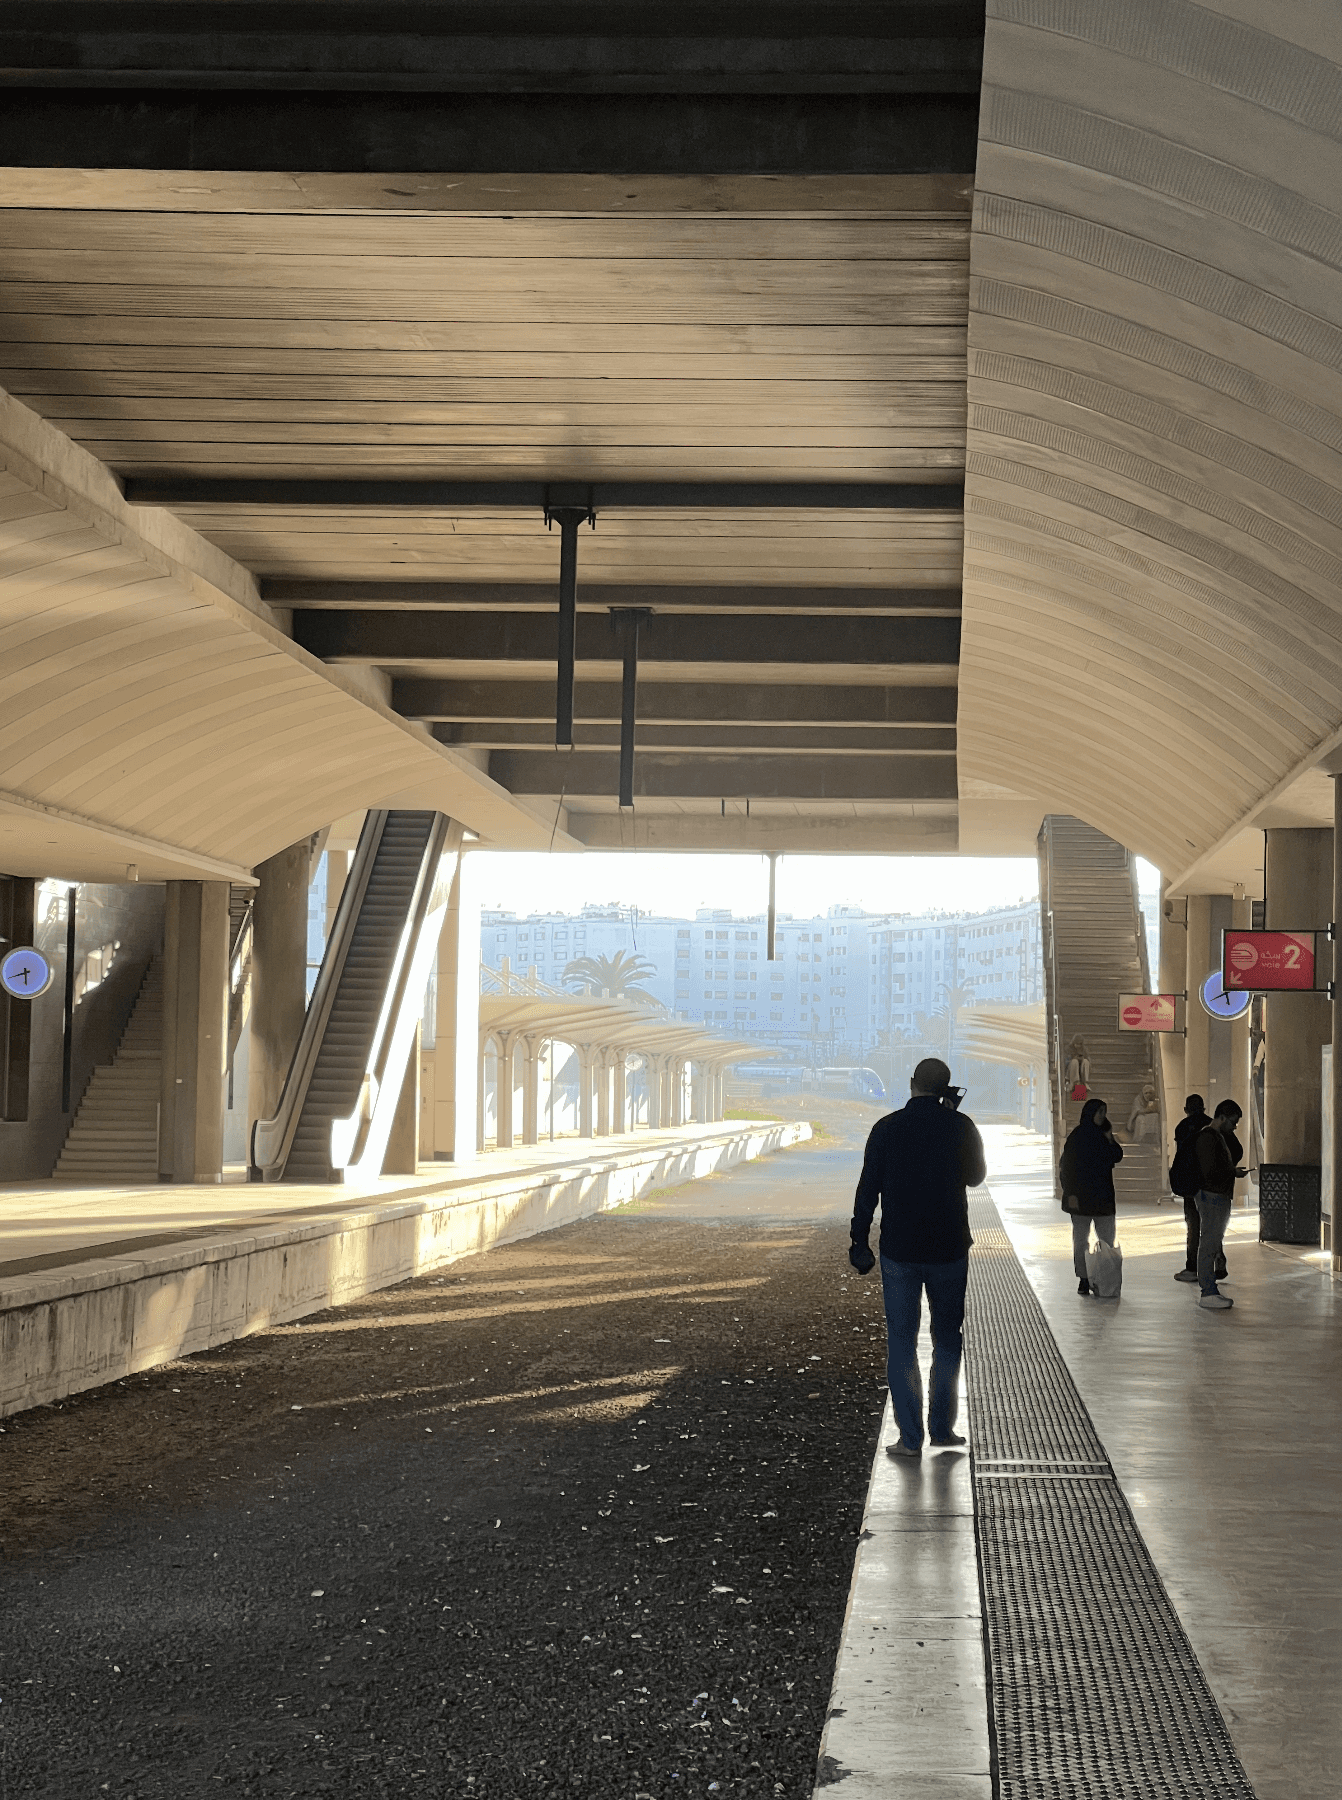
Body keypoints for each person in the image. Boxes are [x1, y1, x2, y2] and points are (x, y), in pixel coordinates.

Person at [848, 1057, 987, 1459]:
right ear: (945, 1087)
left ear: (912, 1084)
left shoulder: (887, 1128)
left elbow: (867, 1190)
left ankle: (910, 1438)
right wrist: (954, 1126)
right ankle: (942, 1430)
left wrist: (860, 1240)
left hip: (900, 1251)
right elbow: (976, 1177)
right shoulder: (961, 1126)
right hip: (948, 1248)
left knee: (902, 1341)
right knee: (947, 1339)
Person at [1058, 1097, 1123, 1295]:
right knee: (1081, 1240)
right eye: (1099, 1112)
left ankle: (1104, 1276)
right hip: (1081, 1197)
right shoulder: (1077, 1137)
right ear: (1090, 1114)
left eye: (1105, 1112)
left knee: (1107, 1240)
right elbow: (1066, 1167)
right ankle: (1084, 1277)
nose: (1103, 1116)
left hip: (1103, 1197)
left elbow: (1117, 1156)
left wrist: (1110, 1138)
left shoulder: (1105, 1135)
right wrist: (1069, 1193)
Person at [1193, 1100, 1245, 1311]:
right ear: (1222, 1117)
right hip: (1212, 1196)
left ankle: (1209, 1288)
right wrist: (1232, 1172)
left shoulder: (1217, 1137)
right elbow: (1211, 1170)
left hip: (1215, 1195)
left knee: (1212, 1241)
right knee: (1209, 1241)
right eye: (1232, 1122)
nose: (1234, 1126)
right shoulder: (1208, 1138)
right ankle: (1208, 1290)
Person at [1168, 1094, 1223, 1284]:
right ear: (1204, 1108)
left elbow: (1181, 1157)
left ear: (1186, 1109)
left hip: (1191, 1183)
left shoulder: (1182, 1127)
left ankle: (1192, 1266)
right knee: (1213, 1224)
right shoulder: (1212, 1125)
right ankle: (1218, 1260)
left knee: (1193, 1225)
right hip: (1211, 1182)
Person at [1064, 1037, 1091, 1102]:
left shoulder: (1084, 1049)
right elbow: (1065, 1061)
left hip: (1081, 1067)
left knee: (1086, 1061)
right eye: (1076, 1044)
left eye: (1079, 1044)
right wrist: (1073, 1058)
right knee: (1074, 1062)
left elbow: (1088, 1059)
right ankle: (1075, 1082)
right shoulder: (1068, 1048)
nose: (1078, 1045)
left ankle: (1085, 1082)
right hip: (1071, 1068)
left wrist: (1082, 1059)